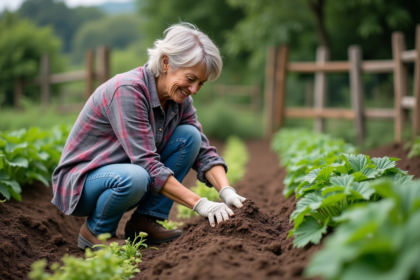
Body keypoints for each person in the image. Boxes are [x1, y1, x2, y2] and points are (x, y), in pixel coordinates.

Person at [51, 23, 246, 249]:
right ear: (166, 62)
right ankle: (96, 232)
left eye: (200, 83)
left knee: (189, 137)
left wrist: (226, 191)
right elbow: (147, 164)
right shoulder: (128, 90)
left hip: (123, 170)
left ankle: (145, 221)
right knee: (136, 177)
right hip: (82, 182)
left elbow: (202, 149)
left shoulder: (179, 99)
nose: (194, 90)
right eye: (190, 79)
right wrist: (201, 204)